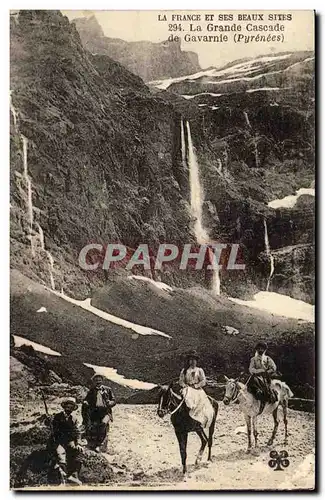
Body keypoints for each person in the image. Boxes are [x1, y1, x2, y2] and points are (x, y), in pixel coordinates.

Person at [50, 397, 83, 485]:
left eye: (71, 407)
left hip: (70, 441)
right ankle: (62, 480)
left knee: (79, 451)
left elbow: (77, 431)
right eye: (68, 406)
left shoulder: (74, 418)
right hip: (59, 441)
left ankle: (73, 475)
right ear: (64, 407)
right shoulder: (57, 417)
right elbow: (54, 430)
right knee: (61, 456)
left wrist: (78, 442)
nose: (69, 409)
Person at [179, 350, 214, 428]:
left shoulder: (199, 370)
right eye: (191, 360)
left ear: (196, 361)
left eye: (194, 360)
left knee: (202, 400)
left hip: (197, 389)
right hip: (188, 388)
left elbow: (203, 381)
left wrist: (196, 386)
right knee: (185, 395)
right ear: (188, 361)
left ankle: (200, 417)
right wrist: (185, 386)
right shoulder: (184, 371)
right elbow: (181, 381)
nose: (192, 362)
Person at [82, 374, 116, 452]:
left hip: (106, 412)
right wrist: (86, 402)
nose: (98, 382)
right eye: (96, 380)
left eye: (99, 380)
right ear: (94, 381)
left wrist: (109, 403)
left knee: (104, 424)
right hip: (95, 412)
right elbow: (86, 399)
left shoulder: (108, 389)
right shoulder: (92, 390)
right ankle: (95, 445)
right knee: (94, 427)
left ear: (102, 381)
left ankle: (100, 444)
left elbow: (114, 400)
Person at [247, 342, 278, 406]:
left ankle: (268, 399)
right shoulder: (253, 359)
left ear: (264, 350)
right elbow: (251, 369)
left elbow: (273, 367)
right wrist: (259, 371)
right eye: (259, 349)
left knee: (268, 387)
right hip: (256, 376)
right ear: (256, 350)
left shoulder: (267, 359)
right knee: (249, 384)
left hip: (265, 376)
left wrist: (267, 372)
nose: (260, 350)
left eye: (262, 349)